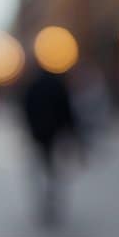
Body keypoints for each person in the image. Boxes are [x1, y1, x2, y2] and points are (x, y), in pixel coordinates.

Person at [21, 68, 79, 227]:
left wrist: (31, 127)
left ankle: (46, 199)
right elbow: (66, 110)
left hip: (38, 134)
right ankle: (51, 198)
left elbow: (26, 107)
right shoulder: (58, 85)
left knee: (42, 169)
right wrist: (71, 132)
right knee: (52, 170)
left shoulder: (33, 86)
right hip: (54, 134)